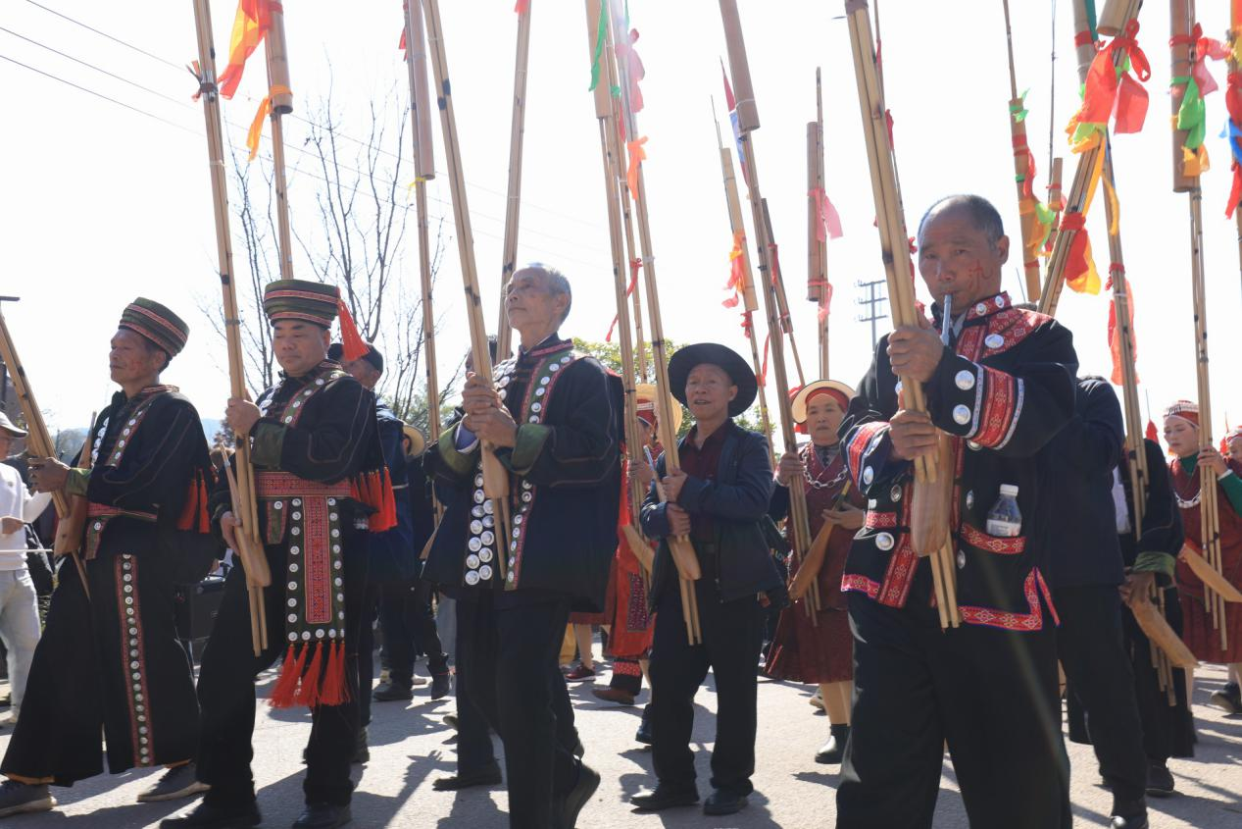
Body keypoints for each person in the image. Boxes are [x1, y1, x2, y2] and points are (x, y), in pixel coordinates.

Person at [835, 195, 1077, 828]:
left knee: (1015, 782)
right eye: (929, 255)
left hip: (993, 590)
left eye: (959, 251)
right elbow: (853, 424)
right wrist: (886, 440)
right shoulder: (899, 339)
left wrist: (945, 373)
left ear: (999, 251)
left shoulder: (1039, 336)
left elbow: (1035, 423)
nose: (941, 268)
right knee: (879, 777)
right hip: (889, 587)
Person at [163, 280, 391, 829]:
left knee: (328, 678)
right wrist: (223, 510)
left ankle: (329, 797)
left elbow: (328, 460)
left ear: (324, 335)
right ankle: (228, 797)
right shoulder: (264, 396)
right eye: (279, 333)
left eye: (299, 332)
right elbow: (229, 466)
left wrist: (256, 429)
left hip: (326, 550)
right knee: (220, 673)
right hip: (260, 552)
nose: (286, 343)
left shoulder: (348, 394)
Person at [422, 264, 622, 829]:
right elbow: (445, 467)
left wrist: (518, 436)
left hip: (539, 558)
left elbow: (596, 456)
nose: (514, 294)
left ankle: (534, 814)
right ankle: (563, 777)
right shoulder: (493, 373)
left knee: (521, 689)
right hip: (480, 558)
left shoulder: (585, 374)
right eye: (511, 288)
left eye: (527, 287)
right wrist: (469, 426)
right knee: (482, 685)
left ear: (560, 302)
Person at [0, 299, 216, 818]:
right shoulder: (110, 413)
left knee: (148, 657)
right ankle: (31, 775)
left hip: (140, 555)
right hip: (91, 553)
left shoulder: (175, 413)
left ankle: (190, 758)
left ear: (157, 355)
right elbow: (80, 479)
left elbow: (150, 488)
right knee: (59, 658)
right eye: (113, 346)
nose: (114, 354)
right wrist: (57, 477)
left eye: (126, 347)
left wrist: (69, 479)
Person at [632, 342, 784, 818]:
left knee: (736, 690)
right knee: (670, 686)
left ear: (732, 392)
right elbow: (647, 512)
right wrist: (664, 518)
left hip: (732, 582)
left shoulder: (750, 445)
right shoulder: (671, 453)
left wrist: (692, 492)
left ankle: (731, 783)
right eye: (693, 382)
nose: (699, 389)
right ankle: (675, 782)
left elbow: (755, 503)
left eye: (710, 381)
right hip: (678, 580)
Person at [332, 342, 448, 766]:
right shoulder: (347, 418)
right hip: (370, 536)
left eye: (350, 364)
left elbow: (402, 491)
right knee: (383, 612)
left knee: (413, 607)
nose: (341, 368)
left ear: (371, 372)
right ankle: (398, 676)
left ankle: (436, 667)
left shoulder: (384, 428)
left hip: (396, 535)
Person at [1045, 378, 1151, 828]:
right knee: (1021, 696)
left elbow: (1101, 453)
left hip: (1082, 573)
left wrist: (1046, 404)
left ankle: (1129, 799)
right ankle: (1039, 802)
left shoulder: (1089, 392)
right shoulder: (998, 390)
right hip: (1009, 571)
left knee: (1105, 691)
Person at [766, 379, 865, 766]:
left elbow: (894, 502)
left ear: (846, 416)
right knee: (824, 652)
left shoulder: (864, 454)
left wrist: (864, 517)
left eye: (830, 409)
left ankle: (864, 732)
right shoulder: (794, 461)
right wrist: (778, 481)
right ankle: (839, 732)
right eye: (813, 411)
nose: (821, 417)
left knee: (853, 656)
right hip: (808, 571)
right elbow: (770, 515)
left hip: (854, 567)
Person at [1086, 435, 1191, 797]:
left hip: (1142, 567)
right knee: (1100, 670)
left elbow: (1165, 509)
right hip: (1090, 571)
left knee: (1151, 667)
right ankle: (1112, 756)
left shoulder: (1142, 452)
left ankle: (1153, 759)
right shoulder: (1068, 446)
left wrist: (1147, 568)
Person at [591, 385, 675, 746]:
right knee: (635, 633)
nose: (630, 430)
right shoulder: (621, 459)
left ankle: (662, 707)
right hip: (627, 558)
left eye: (638, 423)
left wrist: (651, 482)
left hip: (658, 557)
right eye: (626, 423)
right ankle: (651, 700)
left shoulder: (667, 457)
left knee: (657, 637)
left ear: (653, 426)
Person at [1163, 401, 1242, 715]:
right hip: (1188, 572)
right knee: (1183, 648)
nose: (1171, 435)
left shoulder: (1227, 465)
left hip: (1231, 571)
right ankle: (1182, 717)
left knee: (1239, 647)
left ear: (1199, 431)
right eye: (1167, 430)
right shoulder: (1168, 472)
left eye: (1179, 428)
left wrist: (1223, 472)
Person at [371, 425, 441, 703]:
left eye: (401, 440)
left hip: (418, 552)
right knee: (390, 617)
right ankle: (400, 680)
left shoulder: (421, 472)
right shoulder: (383, 476)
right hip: (391, 552)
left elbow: (432, 512)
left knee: (417, 615)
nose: (397, 444)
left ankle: (439, 668)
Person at [0, 413, 51, 728]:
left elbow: (27, 515)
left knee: (29, 641)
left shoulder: (12, 474)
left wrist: (47, 489)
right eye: (3, 436)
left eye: (8, 437)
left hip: (19, 570)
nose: (7, 443)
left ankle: (24, 711)